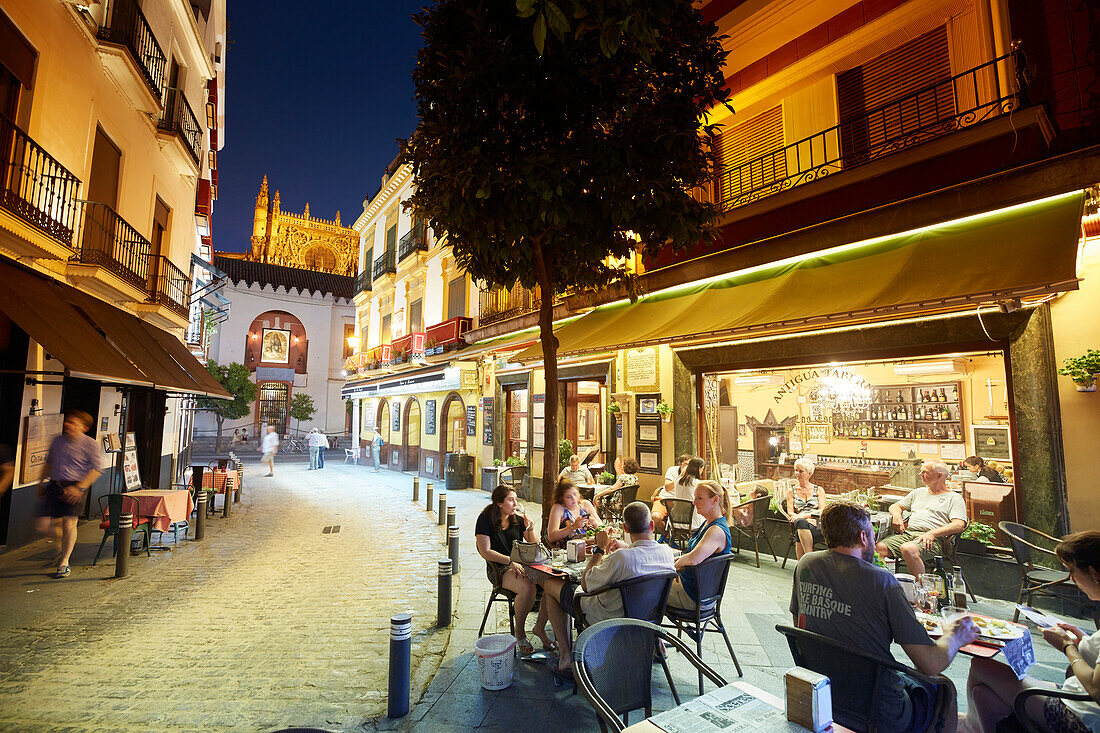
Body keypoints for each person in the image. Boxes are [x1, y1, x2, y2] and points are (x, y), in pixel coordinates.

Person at [792, 500, 979, 733]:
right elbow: (930, 664)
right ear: (863, 537)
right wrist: (955, 635)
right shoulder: (880, 580)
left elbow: (801, 625)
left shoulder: (806, 564)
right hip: (877, 708)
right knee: (944, 689)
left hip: (821, 692)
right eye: (872, 534)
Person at [962, 531, 1100, 733]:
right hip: (1079, 699)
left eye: (1071, 570)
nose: (1071, 578)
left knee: (980, 666)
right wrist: (1083, 640)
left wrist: (1068, 646)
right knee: (983, 694)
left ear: (1094, 573)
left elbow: (1097, 689)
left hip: (1081, 717)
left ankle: (968, 727)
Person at [537, 501, 676, 677]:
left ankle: (565, 657)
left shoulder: (621, 559)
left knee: (550, 586)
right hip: (647, 617)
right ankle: (656, 645)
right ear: (651, 525)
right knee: (562, 587)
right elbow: (643, 552)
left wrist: (599, 549)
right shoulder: (666, 553)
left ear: (625, 528)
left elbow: (586, 584)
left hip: (610, 618)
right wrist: (626, 547)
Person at [474, 486, 553, 656]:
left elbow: (535, 547)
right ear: (499, 503)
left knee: (552, 585)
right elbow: (485, 551)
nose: (515, 504)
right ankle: (520, 632)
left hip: (523, 566)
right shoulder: (485, 519)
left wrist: (530, 528)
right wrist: (510, 561)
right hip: (499, 569)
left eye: (516, 499)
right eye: (511, 500)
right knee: (528, 587)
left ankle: (539, 628)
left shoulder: (516, 519)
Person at [35, 410, 102, 579]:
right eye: (68, 421)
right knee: (44, 526)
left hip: (76, 486)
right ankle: (61, 549)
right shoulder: (57, 441)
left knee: (69, 524)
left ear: (84, 427)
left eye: (73, 422)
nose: (68, 425)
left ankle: (64, 562)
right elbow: (49, 462)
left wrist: (79, 488)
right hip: (56, 484)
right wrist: (41, 482)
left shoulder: (90, 444)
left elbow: (97, 470)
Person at [876, 460, 967, 576]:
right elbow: (896, 506)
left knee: (908, 549)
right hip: (909, 535)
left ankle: (921, 589)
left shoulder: (954, 498)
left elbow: (959, 525)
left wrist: (932, 533)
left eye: (925, 472)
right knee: (878, 548)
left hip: (936, 540)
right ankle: (886, 584)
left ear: (939, 475)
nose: (920, 474)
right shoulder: (918, 492)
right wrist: (897, 516)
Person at [666, 480, 734, 609]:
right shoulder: (708, 523)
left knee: (646, 590)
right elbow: (691, 555)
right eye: (695, 498)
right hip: (693, 589)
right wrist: (668, 562)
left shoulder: (716, 531)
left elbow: (692, 559)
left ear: (715, 500)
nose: (694, 502)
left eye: (700, 498)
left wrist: (670, 568)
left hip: (694, 598)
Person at [786, 458, 828, 559]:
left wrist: (804, 516)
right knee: (801, 522)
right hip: (800, 520)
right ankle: (810, 558)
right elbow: (790, 512)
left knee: (799, 531)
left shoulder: (819, 490)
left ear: (809, 474)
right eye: (796, 470)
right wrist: (805, 519)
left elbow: (822, 510)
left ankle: (803, 564)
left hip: (816, 522)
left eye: (801, 471)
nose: (797, 473)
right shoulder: (791, 491)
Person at [545, 479, 600, 550]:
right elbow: (551, 537)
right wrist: (573, 527)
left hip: (590, 547)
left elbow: (602, 527)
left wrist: (595, 523)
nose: (573, 499)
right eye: (568, 497)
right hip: (568, 550)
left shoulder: (586, 505)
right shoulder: (558, 508)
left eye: (575, 494)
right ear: (562, 498)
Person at [652, 456, 705, 529]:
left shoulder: (677, 481)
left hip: (675, 521)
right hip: (693, 522)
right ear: (699, 468)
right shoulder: (697, 483)